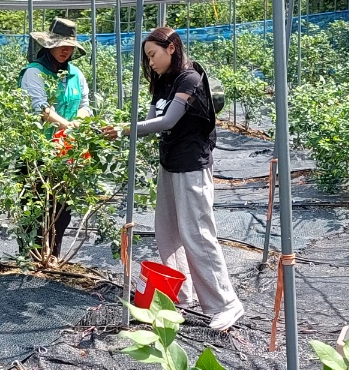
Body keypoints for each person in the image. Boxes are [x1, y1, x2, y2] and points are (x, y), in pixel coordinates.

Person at [103, 26, 244, 332]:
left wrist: (124, 129)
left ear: (171, 48)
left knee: (197, 234)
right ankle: (181, 293)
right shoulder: (163, 82)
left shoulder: (190, 79)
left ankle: (225, 304)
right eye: (146, 57)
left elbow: (168, 120)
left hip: (192, 165)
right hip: (170, 163)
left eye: (153, 55)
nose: (150, 62)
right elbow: (153, 121)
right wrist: (125, 127)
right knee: (167, 232)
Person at [18, 17, 92, 262]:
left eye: (70, 46)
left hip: (66, 151)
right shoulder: (34, 72)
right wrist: (65, 124)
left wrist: (78, 122)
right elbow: (40, 106)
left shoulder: (76, 74)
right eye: (61, 45)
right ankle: (31, 258)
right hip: (37, 152)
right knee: (36, 205)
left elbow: (85, 105)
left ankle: (52, 256)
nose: (65, 50)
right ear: (49, 45)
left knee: (62, 208)